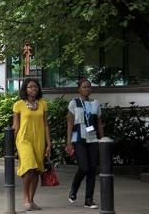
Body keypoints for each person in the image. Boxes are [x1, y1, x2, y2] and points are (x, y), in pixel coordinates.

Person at [12, 78, 51, 211]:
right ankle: (25, 199)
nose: (33, 89)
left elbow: (46, 125)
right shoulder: (18, 104)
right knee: (29, 167)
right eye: (30, 87)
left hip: (39, 139)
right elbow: (15, 125)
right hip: (23, 139)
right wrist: (11, 143)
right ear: (25, 89)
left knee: (36, 170)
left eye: (35, 86)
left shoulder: (43, 104)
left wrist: (48, 144)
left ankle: (32, 200)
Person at [65, 77, 104, 209]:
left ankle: (89, 199)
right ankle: (74, 188)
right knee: (84, 167)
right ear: (79, 89)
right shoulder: (73, 103)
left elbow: (99, 123)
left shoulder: (95, 103)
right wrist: (69, 142)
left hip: (92, 138)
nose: (87, 89)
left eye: (88, 86)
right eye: (84, 86)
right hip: (78, 138)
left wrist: (102, 139)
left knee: (92, 170)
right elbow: (70, 124)